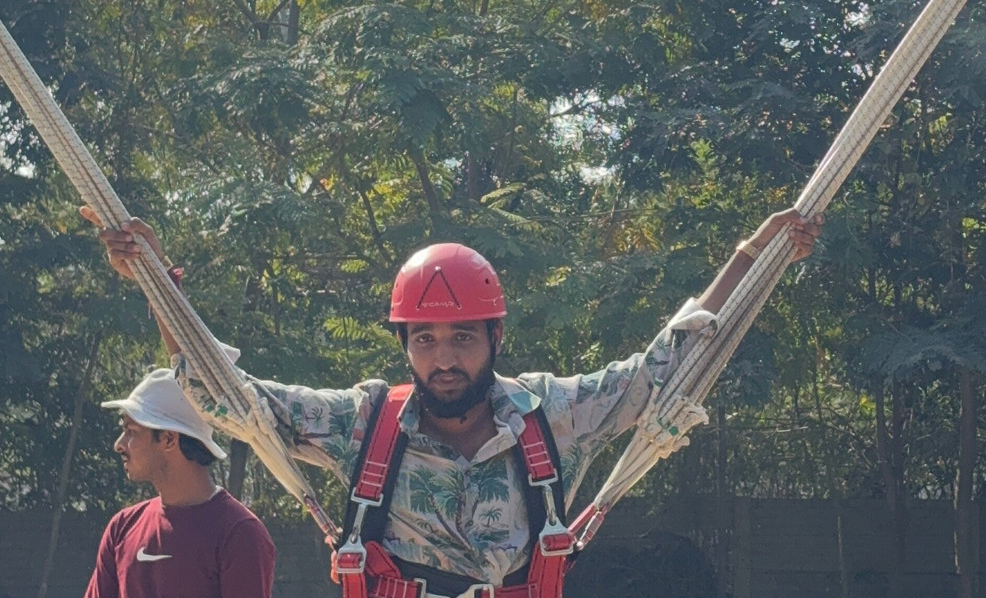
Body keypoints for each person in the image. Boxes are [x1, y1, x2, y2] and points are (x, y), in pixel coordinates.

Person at [84, 205, 820, 595]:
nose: (444, 360)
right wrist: (159, 284)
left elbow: (664, 370)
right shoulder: (364, 423)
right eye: (426, 340)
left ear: (495, 337)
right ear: (406, 344)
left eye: (463, 338)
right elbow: (229, 397)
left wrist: (751, 259)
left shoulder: (549, 415)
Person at [84, 367, 277, 598]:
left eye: (131, 431)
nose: (119, 444)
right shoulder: (121, 527)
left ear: (169, 439)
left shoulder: (240, 534)